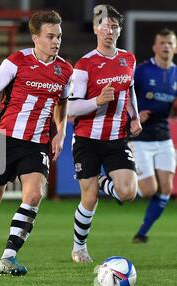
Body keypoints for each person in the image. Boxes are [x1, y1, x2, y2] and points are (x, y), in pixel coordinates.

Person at [0, 11, 73, 275]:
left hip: (37, 144)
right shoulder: (16, 62)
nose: (55, 41)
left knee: (34, 195)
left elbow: (62, 101)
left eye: (58, 36)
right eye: (50, 36)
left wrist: (60, 131)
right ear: (35, 38)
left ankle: (8, 257)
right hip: (6, 140)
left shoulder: (65, 70)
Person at [67, 4, 142, 263]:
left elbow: (130, 89)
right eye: (104, 25)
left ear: (120, 30)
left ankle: (100, 182)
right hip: (87, 139)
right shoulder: (84, 64)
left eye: (114, 26)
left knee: (129, 193)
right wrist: (97, 101)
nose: (109, 31)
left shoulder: (128, 59)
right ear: (95, 29)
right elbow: (71, 108)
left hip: (115, 138)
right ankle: (79, 247)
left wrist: (134, 116)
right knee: (89, 199)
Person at [129, 28, 176, 243]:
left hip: (163, 136)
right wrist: (136, 115)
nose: (166, 46)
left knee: (166, 188)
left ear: (175, 48)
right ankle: (119, 184)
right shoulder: (142, 70)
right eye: (162, 42)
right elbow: (126, 96)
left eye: (170, 43)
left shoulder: (176, 73)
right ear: (155, 47)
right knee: (149, 190)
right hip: (140, 137)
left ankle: (142, 232)